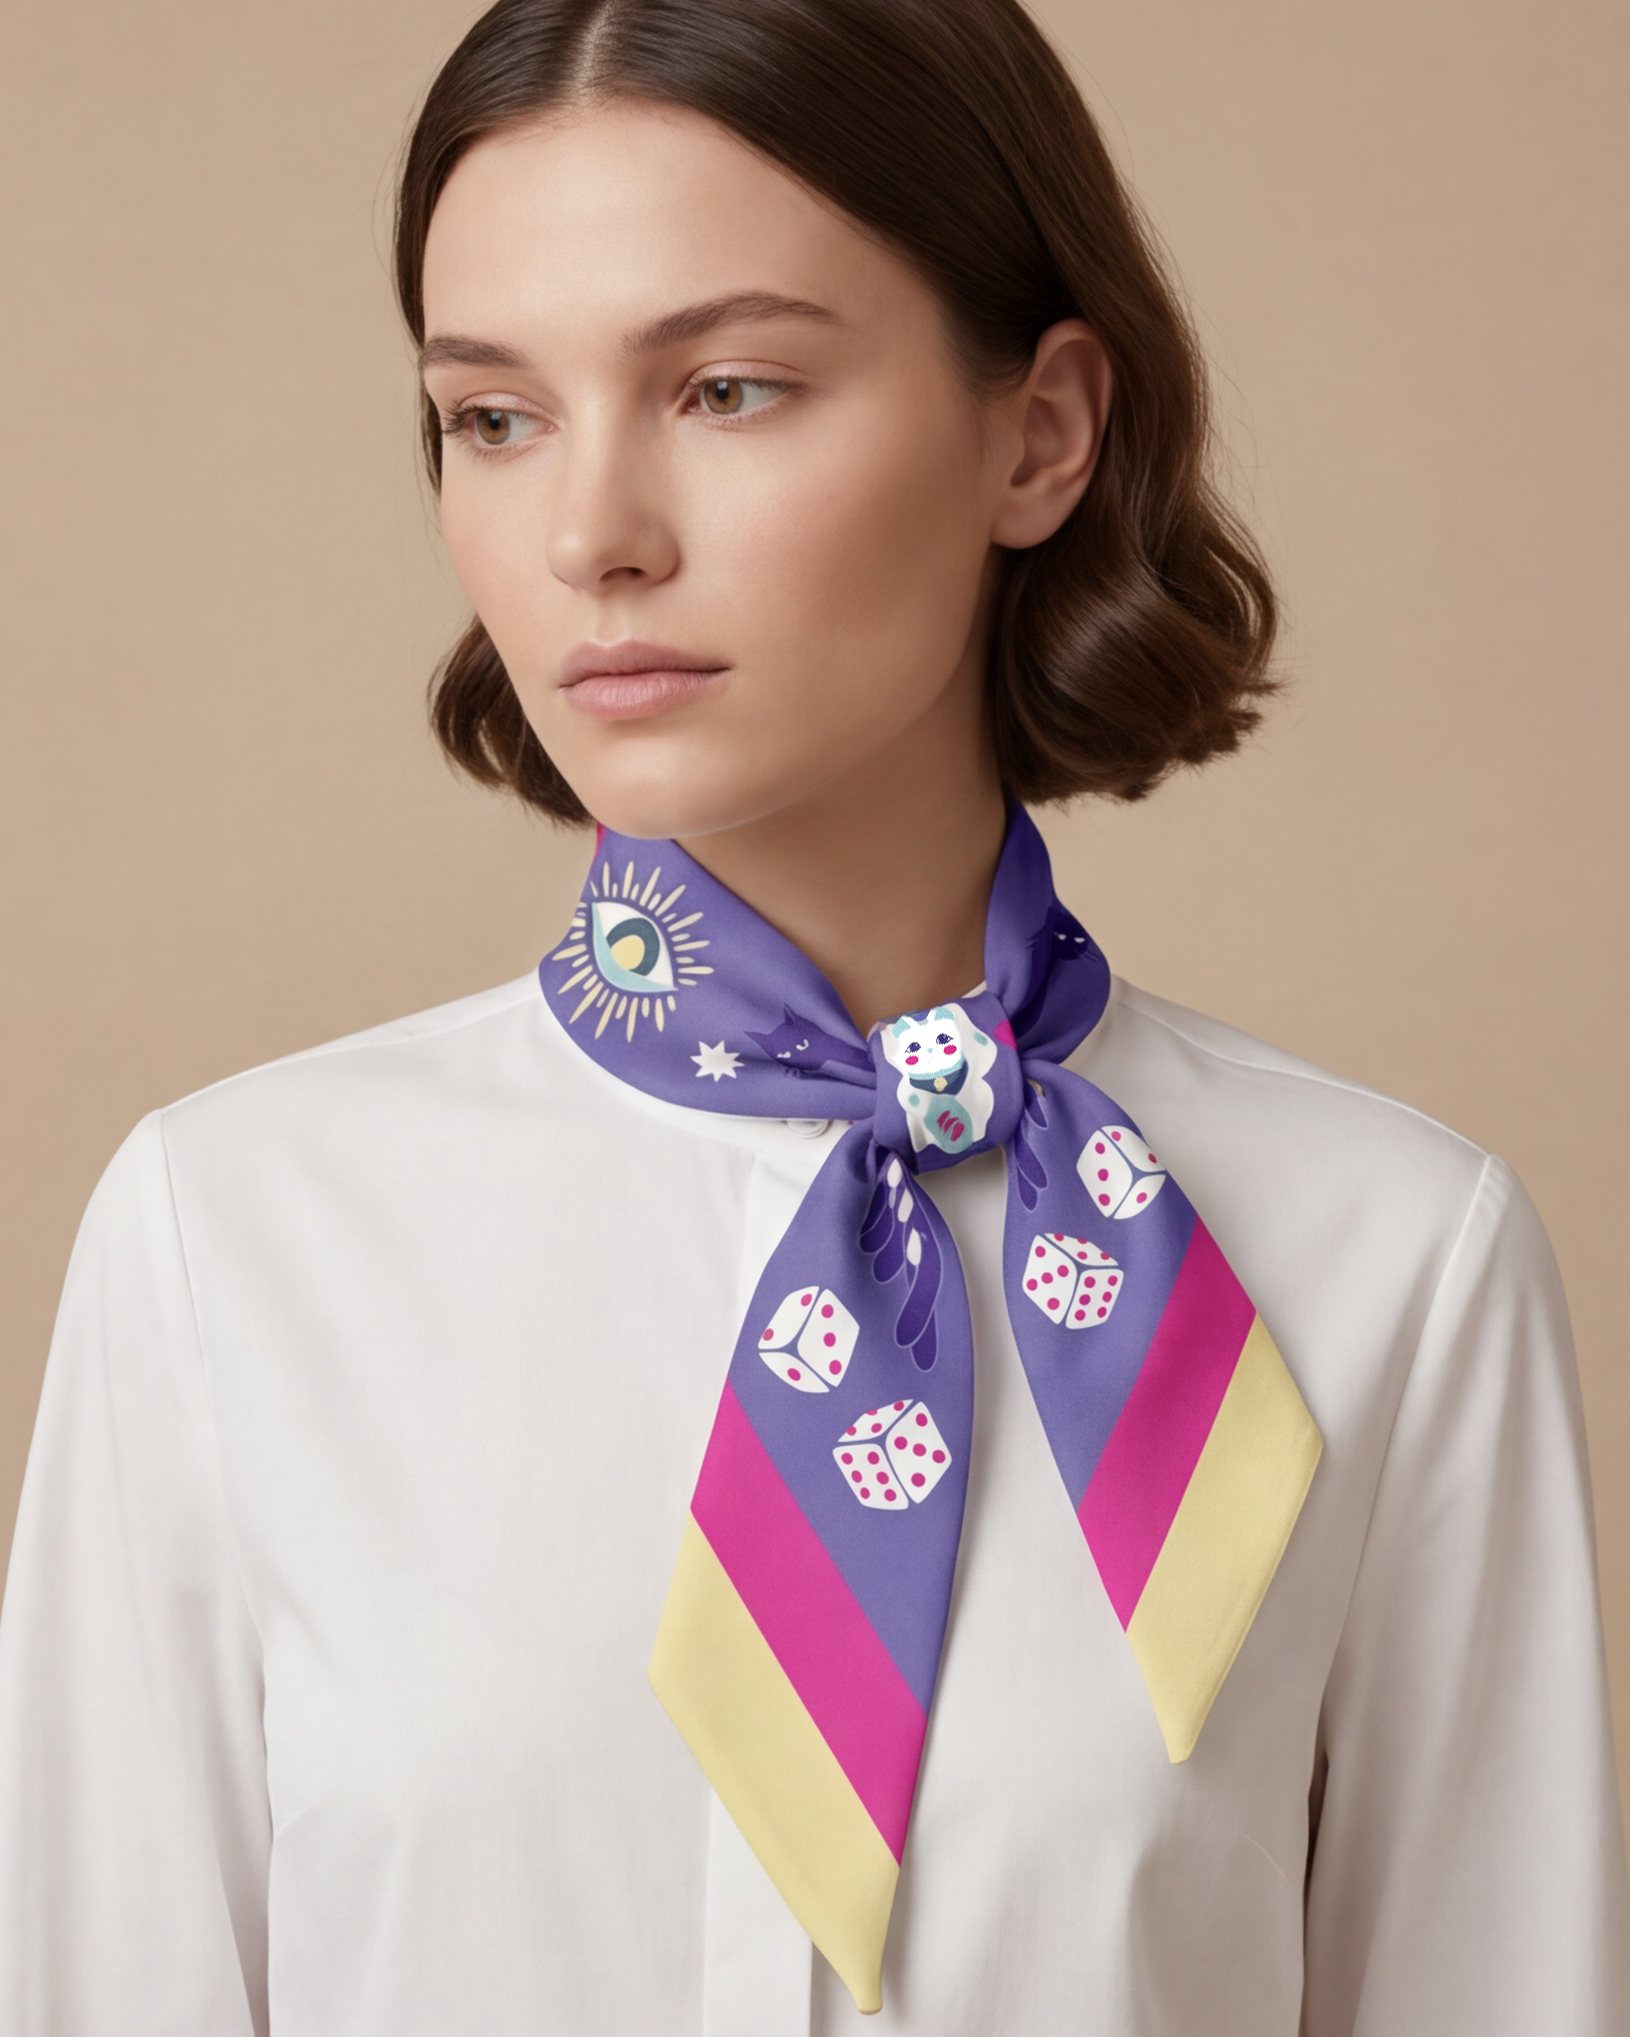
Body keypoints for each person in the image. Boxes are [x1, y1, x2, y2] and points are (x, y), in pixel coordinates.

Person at [0, 0, 1625, 2031]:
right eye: (494, 416)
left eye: (730, 387)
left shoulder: (1390, 1261)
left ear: (1037, 431)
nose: (592, 531)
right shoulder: (227, 1244)